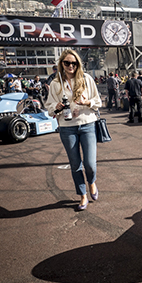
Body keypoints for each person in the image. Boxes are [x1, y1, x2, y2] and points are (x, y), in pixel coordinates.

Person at [46, 49, 102, 211]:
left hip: (87, 124)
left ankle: (91, 182)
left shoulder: (86, 79)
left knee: (90, 164)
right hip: (66, 128)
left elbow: (97, 102)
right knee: (75, 164)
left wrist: (87, 103)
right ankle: (82, 195)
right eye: (67, 63)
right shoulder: (55, 84)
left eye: (74, 63)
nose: (71, 66)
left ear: (78, 64)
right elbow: (49, 108)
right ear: (61, 64)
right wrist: (55, 107)